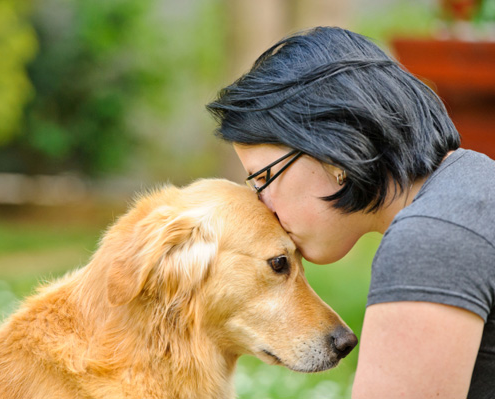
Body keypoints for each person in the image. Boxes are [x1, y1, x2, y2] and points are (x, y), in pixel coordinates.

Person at [206, 26, 495, 398]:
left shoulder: (431, 239)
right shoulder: (476, 188)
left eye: (263, 177)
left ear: (333, 151)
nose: (263, 205)